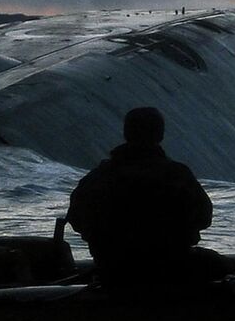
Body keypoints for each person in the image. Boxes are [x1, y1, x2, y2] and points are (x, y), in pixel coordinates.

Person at [66, 107, 222, 288]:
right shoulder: (176, 175)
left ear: (126, 134)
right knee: (223, 265)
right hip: (171, 270)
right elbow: (204, 218)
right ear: (160, 135)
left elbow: (76, 219)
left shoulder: (98, 177)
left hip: (114, 272)